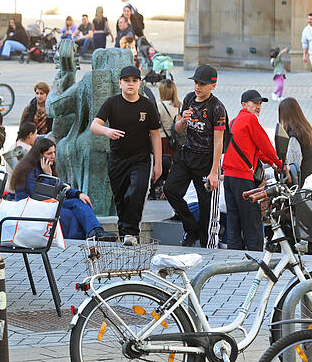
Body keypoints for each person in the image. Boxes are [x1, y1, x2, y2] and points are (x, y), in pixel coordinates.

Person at [90, 65, 162, 246]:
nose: (131, 84)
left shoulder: (147, 105)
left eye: (134, 81)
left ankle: (131, 232)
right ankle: (126, 235)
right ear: (120, 83)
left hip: (141, 158)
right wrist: (107, 131)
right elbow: (94, 126)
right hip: (117, 159)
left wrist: (158, 164)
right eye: (127, 80)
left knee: (136, 190)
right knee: (121, 198)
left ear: (140, 83)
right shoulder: (111, 103)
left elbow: (155, 134)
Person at [169, 64, 227, 248]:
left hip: (206, 159)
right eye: (195, 82)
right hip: (186, 154)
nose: (197, 87)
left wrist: (214, 172)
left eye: (202, 83)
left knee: (206, 206)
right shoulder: (188, 99)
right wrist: (182, 120)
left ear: (213, 85)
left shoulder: (217, 108)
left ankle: (207, 244)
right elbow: (178, 129)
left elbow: (219, 142)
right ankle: (191, 228)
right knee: (170, 189)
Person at [9, 137, 108, 240]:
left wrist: (78, 194)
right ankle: (79, 239)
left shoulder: (42, 167)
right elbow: (42, 196)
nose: (53, 156)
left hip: (46, 204)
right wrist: (48, 175)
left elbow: (60, 185)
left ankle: (96, 231)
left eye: (54, 152)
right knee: (68, 214)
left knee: (80, 202)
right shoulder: (29, 171)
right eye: (49, 153)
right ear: (39, 155)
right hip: (32, 207)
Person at [222, 90, 283, 251]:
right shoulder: (250, 119)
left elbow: (258, 151)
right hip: (242, 177)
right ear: (244, 104)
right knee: (252, 221)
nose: (258, 107)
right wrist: (279, 163)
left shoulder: (234, 122)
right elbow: (265, 145)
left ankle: (232, 258)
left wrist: (272, 162)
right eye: (255, 103)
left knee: (233, 221)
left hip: (228, 178)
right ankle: (255, 261)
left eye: (260, 104)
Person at [276, 97, 312, 187]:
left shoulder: (293, 135)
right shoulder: (304, 127)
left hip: (298, 177)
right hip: (308, 167)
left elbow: (293, 165)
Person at [153, 79, 181, 198]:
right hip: (175, 141)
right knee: (172, 166)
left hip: (162, 140)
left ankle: (159, 190)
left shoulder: (160, 106)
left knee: (161, 165)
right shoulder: (180, 105)